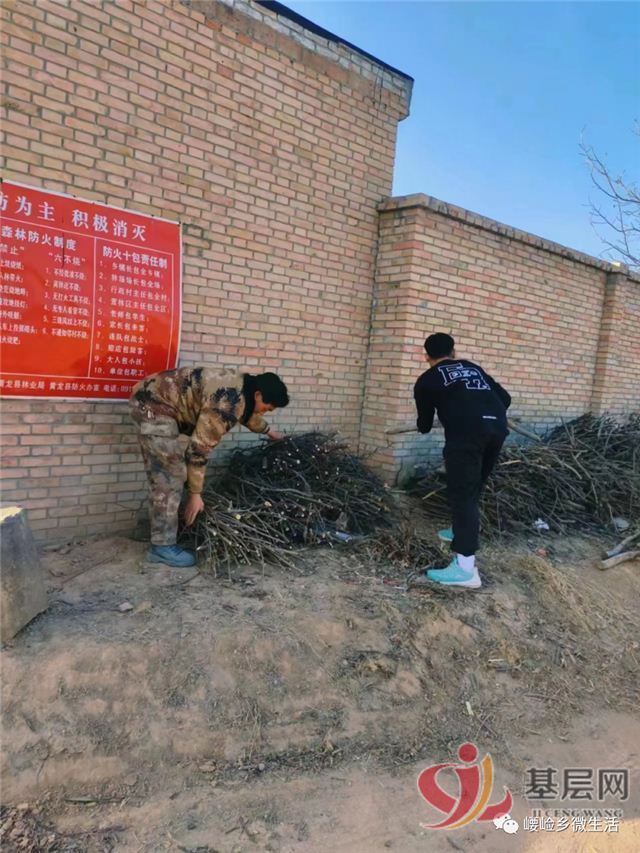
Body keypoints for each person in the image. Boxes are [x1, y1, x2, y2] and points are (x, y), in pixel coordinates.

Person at [129, 367, 289, 567]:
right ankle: (161, 547)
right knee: (170, 475)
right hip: (152, 404)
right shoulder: (227, 403)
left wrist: (269, 432)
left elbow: (246, 413)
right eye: (267, 407)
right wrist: (196, 494)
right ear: (258, 395)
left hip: (158, 399)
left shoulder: (244, 388)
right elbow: (198, 450)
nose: (265, 411)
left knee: (175, 473)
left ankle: (163, 530)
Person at [414, 333, 511, 589]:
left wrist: (445, 417)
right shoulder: (472, 368)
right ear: (453, 352)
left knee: (462, 496)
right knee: (473, 487)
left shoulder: (427, 380)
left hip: (466, 436)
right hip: (497, 430)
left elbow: (424, 424)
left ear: (427, 357)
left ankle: (466, 570)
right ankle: (461, 530)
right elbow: (505, 398)